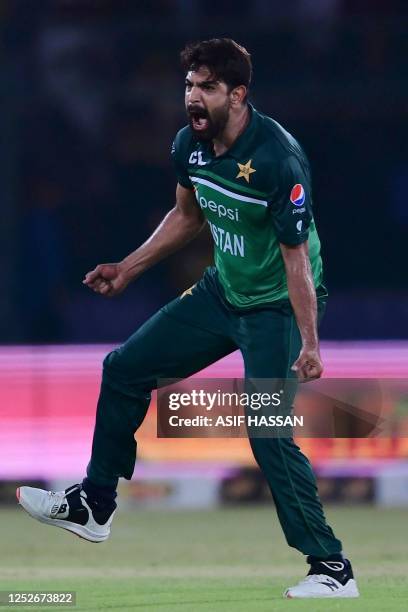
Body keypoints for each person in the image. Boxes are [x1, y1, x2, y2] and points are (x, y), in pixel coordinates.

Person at [17, 38, 359, 599]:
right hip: (221, 294)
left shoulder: (277, 158)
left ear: (238, 94)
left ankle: (332, 568)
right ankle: (94, 505)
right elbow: (186, 216)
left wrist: (311, 342)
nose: (191, 98)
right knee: (124, 368)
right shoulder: (190, 147)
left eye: (205, 88)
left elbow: (296, 259)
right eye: (188, 86)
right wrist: (128, 268)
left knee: (267, 432)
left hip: (279, 308)